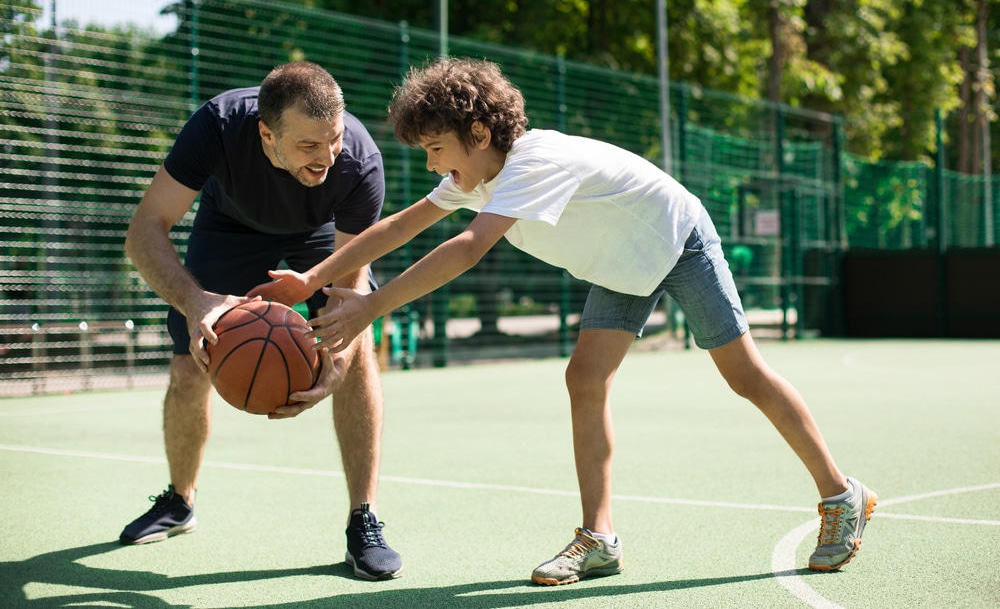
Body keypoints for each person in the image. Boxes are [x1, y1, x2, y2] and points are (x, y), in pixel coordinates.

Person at [251, 57, 876, 585]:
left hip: (676, 237)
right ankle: (599, 538)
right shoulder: (474, 173)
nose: (434, 166)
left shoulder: (530, 162)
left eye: (438, 150)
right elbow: (401, 226)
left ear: (477, 130)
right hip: (623, 263)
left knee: (745, 375)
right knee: (585, 379)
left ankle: (840, 492)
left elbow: (467, 248)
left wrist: (369, 307)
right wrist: (311, 279)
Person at [121, 61, 403, 581]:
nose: (326, 157)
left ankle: (364, 518)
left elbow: (352, 287)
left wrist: (336, 359)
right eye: (308, 147)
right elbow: (144, 231)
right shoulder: (217, 126)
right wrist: (193, 300)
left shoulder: (358, 162)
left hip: (319, 237)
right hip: (229, 228)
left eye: (333, 139)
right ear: (266, 133)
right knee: (188, 369)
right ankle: (180, 501)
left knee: (356, 352)